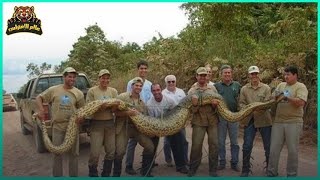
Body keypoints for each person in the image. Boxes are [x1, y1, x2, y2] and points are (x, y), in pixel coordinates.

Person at [35, 67, 85, 177]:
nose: (72, 79)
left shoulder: (79, 93)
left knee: (74, 154)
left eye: (73, 77)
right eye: (69, 76)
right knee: (57, 153)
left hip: (73, 126)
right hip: (58, 126)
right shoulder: (54, 90)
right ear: (64, 77)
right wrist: (41, 110)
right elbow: (39, 97)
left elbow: (82, 110)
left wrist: (81, 118)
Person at [267, 65, 308, 177]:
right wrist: (274, 96)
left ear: (295, 75)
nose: (286, 77)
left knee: (293, 151)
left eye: (288, 74)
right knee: (274, 149)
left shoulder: (300, 86)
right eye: (285, 74)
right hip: (278, 121)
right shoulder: (280, 85)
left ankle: (291, 175)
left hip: (293, 122)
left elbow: (301, 102)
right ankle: (271, 172)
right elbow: (272, 99)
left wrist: (286, 97)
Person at [114, 77, 155, 177]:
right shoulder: (122, 97)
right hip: (124, 127)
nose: (138, 87)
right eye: (136, 85)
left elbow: (145, 118)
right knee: (120, 152)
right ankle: (116, 174)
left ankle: (145, 172)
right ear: (132, 86)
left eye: (140, 86)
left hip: (137, 129)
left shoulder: (142, 103)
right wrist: (127, 113)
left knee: (150, 147)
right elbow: (115, 112)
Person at [239, 66, 272, 177]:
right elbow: (241, 104)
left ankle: (270, 168)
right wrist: (250, 109)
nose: (254, 76)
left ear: (259, 74)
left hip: (264, 120)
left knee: (268, 146)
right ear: (249, 75)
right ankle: (245, 169)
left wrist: (255, 108)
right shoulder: (244, 89)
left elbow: (268, 103)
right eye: (252, 74)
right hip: (249, 120)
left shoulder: (266, 88)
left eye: (256, 73)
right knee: (247, 145)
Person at [147, 83, 189, 174]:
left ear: (161, 90)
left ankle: (181, 165)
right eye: (154, 90)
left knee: (179, 139)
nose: (156, 92)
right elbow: (151, 120)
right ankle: (148, 166)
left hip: (169, 124)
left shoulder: (169, 100)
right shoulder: (149, 104)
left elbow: (176, 113)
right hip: (157, 126)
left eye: (158, 90)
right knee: (150, 143)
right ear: (151, 92)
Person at [187, 67, 220, 177]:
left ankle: (213, 169)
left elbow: (219, 105)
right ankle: (193, 168)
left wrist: (215, 105)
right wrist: (195, 105)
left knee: (214, 145)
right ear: (196, 76)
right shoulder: (192, 91)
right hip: (198, 121)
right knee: (196, 145)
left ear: (207, 76)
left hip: (212, 121)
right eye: (200, 75)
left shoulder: (213, 89)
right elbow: (190, 110)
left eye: (204, 75)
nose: (202, 77)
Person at [86, 69, 119, 177]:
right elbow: (89, 109)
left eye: (107, 78)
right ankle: (93, 173)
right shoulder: (92, 91)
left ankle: (106, 173)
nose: (105, 80)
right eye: (103, 78)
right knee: (95, 152)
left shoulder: (113, 91)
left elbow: (115, 110)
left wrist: (114, 106)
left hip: (110, 123)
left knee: (111, 151)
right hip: (96, 124)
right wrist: (100, 107)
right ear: (99, 78)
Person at [125, 59, 153, 175]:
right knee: (132, 141)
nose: (143, 70)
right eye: (141, 68)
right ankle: (128, 165)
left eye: (145, 68)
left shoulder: (150, 84)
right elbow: (128, 98)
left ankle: (146, 164)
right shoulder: (131, 82)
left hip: (146, 115)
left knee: (147, 140)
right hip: (134, 115)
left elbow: (150, 100)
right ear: (138, 70)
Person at [214, 64, 241, 172]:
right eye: (225, 73)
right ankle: (222, 162)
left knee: (234, 142)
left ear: (231, 74)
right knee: (221, 141)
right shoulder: (216, 86)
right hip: (221, 117)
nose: (227, 74)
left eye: (229, 72)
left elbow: (241, 100)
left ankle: (234, 163)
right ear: (221, 74)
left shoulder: (237, 85)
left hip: (234, 116)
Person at [162, 75, 189, 167]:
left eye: (173, 81)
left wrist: (185, 119)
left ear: (175, 82)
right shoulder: (163, 93)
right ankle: (168, 160)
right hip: (168, 121)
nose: (171, 83)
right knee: (167, 142)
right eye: (169, 82)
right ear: (166, 83)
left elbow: (186, 105)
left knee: (183, 141)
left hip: (180, 120)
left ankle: (185, 159)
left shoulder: (181, 91)